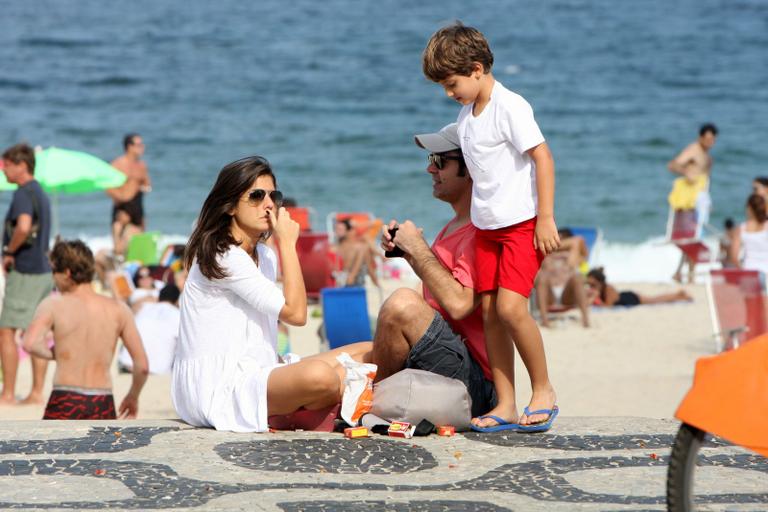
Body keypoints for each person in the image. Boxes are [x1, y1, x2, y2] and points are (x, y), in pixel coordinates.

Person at [422, 23, 558, 430]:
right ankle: (506, 403)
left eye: (452, 84)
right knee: (490, 314)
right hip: (486, 230)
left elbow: (543, 157)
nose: (449, 93)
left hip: (520, 227)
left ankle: (544, 389)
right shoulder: (467, 117)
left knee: (512, 309)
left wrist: (546, 218)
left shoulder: (510, 106)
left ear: (477, 68)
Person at [172, 156, 372, 432]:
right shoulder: (223, 255)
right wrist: (288, 244)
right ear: (229, 206)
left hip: (260, 370)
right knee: (322, 376)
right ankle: (314, 402)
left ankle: (310, 403)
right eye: (256, 196)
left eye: (273, 196)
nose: (268, 205)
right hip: (220, 385)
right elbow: (297, 314)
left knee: (369, 350)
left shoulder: (264, 255)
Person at [378, 123, 496, 421]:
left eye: (440, 161)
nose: (431, 170)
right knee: (343, 361)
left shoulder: (482, 231)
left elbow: (460, 304)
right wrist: (409, 253)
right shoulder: (452, 227)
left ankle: (371, 404)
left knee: (402, 303)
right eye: (430, 160)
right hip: (450, 361)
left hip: (476, 384)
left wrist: (419, 250)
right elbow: (439, 302)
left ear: (470, 169)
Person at [22, 239, 149, 419]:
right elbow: (142, 366)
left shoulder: (53, 304)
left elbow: (29, 343)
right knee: (99, 448)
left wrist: (56, 353)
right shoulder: (119, 309)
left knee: (55, 447)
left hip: (65, 399)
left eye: (53, 271)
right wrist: (133, 396)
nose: (52, 278)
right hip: (102, 400)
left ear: (66, 273)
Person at [0, 143, 54, 405]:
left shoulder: (23, 193)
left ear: (21, 165)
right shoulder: (40, 192)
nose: (3, 170)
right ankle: (35, 392)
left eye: (6, 165)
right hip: (43, 269)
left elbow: (22, 226)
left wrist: (9, 251)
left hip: (26, 270)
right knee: (38, 330)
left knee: (7, 330)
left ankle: (8, 394)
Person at [667, 123, 718, 283]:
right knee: (690, 237)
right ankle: (687, 275)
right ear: (701, 137)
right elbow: (673, 165)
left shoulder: (708, 158)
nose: (710, 142)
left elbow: (705, 182)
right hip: (688, 201)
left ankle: (683, 273)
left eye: (713, 139)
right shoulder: (693, 150)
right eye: (708, 138)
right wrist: (686, 172)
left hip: (699, 200)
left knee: (694, 236)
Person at [118, 283, 180, 375]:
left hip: (126, 364)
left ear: (158, 297)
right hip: (156, 372)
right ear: (177, 301)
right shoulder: (179, 315)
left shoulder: (143, 307)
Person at [106, 134, 151, 254]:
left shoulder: (141, 166)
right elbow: (107, 187)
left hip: (137, 208)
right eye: (139, 145)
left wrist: (144, 188)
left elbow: (147, 184)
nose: (143, 147)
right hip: (122, 208)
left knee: (138, 248)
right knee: (120, 248)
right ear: (129, 146)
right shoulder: (118, 164)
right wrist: (121, 198)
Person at [586, 267, 691, 307]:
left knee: (655, 300)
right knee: (655, 299)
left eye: (593, 284)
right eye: (589, 284)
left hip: (630, 298)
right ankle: (679, 295)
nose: (590, 286)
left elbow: (608, 306)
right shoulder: (596, 290)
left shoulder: (608, 289)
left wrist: (595, 298)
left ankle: (679, 295)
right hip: (624, 297)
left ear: (599, 282)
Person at [332, 218, 380, 288]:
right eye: (336, 229)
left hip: (354, 281)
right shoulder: (334, 248)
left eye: (340, 229)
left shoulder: (360, 247)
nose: (337, 232)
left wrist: (376, 284)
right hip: (338, 279)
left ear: (349, 231)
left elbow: (369, 268)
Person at [730, 194, 768, 277]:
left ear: (749, 208)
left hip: (749, 272)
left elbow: (734, 257)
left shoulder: (741, 229)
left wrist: (742, 270)